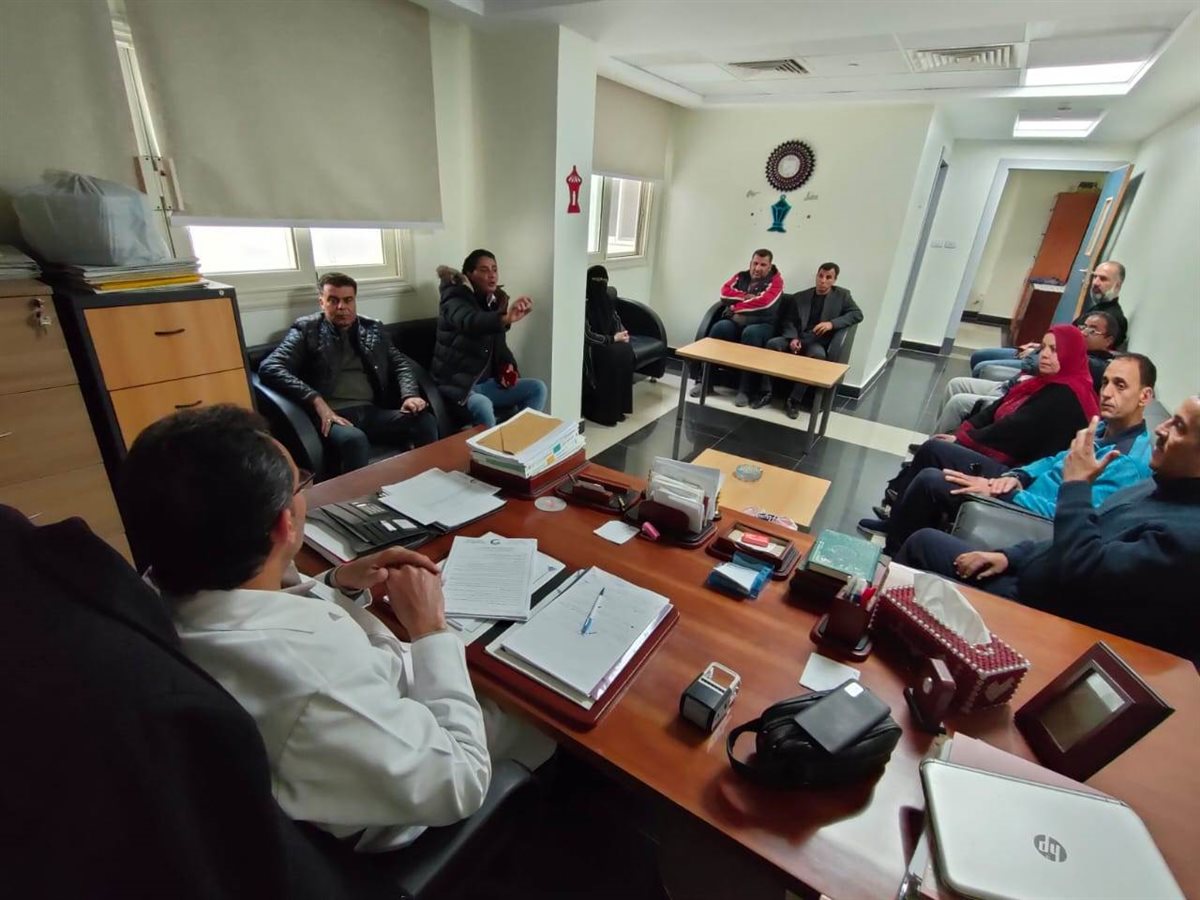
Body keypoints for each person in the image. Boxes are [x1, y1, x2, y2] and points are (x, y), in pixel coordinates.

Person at [118, 405, 553, 852]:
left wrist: (337, 583)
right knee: (546, 711)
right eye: (300, 485)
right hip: (412, 786)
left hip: (349, 736)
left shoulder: (155, 591)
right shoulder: (313, 681)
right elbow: (460, 779)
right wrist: (430, 631)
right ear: (285, 523)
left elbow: (259, 610)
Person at [895, 395, 1200, 662]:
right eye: (1170, 419)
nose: (1161, 429)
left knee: (924, 544)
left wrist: (1076, 484)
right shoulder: (1157, 485)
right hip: (1034, 575)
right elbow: (1092, 532)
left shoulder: (1186, 538)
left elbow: (1084, 566)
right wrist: (1012, 556)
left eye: (1179, 427)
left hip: (1050, 619)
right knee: (925, 543)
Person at [866, 354, 1155, 554]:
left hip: (1029, 509)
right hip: (1022, 486)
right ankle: (896, 524)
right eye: (1105, 382)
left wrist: (1006, 493)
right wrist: (1019, 476)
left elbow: (1077, 516)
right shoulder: (1102, 428)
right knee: (935, 450)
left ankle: (893, 559)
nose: (1107, 393)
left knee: (932, 480)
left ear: (1145, 396)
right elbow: (1054, 460)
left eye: (1120, 385)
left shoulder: (1127, 461)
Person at [860, 324, 1098, 541]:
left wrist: (964, 442)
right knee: (937, 447)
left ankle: (898, 526)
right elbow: (996, 409)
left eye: (1054, 350)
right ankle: (899, 516)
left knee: (934, 450)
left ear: (1071, 355)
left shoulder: (1066, 395)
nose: (1044, 354)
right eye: (1043, 347)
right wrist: (960, 436)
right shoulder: (1045, 383)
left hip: (1019, 472)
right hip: (1016, 463)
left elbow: (1013, 430)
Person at [258, 272, 438, 474]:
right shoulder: (307, 329)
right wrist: (315, 399)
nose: (341, 307)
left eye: (348, 300)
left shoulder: (372, 329)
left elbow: (400, 364)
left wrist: (410, 395)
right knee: (355, 440)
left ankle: (428, 480)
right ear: (322, 302)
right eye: (333, 300)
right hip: (333, 416)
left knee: (424, 421)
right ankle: (357, 494)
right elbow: (270, 367)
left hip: (372, 411)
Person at [937, 310, 1120, 433]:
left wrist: (1035, 353)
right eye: (1083, 327)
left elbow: (1033, 364)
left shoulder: (1091, 364)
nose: (1084, 332)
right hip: (1017, 386)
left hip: (1022, 399)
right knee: (956, 383)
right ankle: (939, 436)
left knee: (959, 401)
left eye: (1093, 331)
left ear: (1108, 341)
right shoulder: (1075, 352)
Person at [432, 250, 548, 428]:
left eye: (494, 269)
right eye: (484, 270)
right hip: (459, 387)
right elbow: (471, 321)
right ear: (469, 274)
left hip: (486, 384)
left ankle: (518, 440)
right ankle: (490, 446)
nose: (492, 275)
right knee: (483, 405)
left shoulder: (495, 301)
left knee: (537, 388)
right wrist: (504, 319)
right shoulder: (454, 297)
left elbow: (499, 346)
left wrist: (508, 366)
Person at [969, 261, 1128, 377]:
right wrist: (1040, 346)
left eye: (1103, 279)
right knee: (979, 355)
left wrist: (1039, 352)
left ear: (1118, 285)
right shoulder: (1097, 308)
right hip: (1045, 352)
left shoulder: (1112, 319)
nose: (1096, 283)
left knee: (982, 367)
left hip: (1051, 363)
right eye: (1095, 277)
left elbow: (1075, 354)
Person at [765, 262, 863, 418]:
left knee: (818, 356)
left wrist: (831, 324)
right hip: (797, 337)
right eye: (820, 276)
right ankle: (765, 392)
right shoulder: (800, 297)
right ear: (816, 276)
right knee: (772, 344)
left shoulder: (843, 296)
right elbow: (789, 321)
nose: (823, 281)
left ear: (834, 280)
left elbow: (857, 314)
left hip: (817, 341)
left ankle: (794, 400)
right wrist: (792, 338)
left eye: (828, 277)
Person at [690, 249, 784, 407]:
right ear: (750, 263)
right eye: (755, 263)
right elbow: (725, 294)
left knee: (751, 333)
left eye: (763, 265)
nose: (757, 268)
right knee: (720, 327)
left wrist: (735, 307)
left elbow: (765, 304)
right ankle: (705, 381)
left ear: (769, 266)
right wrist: (746, 297)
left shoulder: (777, 281)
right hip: (736, 321)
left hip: (762, 325)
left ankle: (746, 390)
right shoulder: (741, 276)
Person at [582, 264, 635, 426]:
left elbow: (617, 322)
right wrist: (611, 339)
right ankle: (604, 413)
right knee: (612, 356)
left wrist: (623, 335)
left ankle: (618, 408)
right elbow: (587, 336)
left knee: (626, 350)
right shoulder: (583, 304)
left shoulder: (606, 302)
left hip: (610, 343)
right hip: (592, 347)